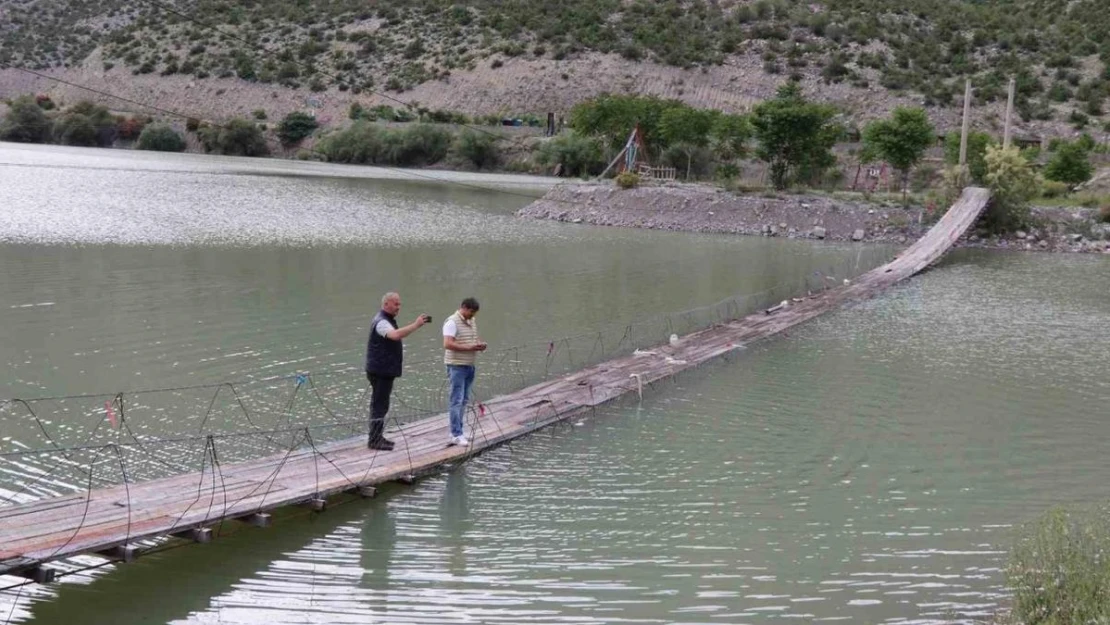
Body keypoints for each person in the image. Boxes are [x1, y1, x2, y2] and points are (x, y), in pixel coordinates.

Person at [365, 292, 429, 451]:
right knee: (379, 406)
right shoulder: (381, 322)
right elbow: (394, 335)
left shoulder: (386, 320)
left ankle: (377, 436)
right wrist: (416, 325)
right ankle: (374, 440)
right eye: (396, 304)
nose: (398, 307)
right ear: (386, 304)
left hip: (383, 370)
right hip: (380, 371)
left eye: (399, 304)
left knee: (381, 405)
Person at [442, 297, 487, 446]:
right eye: (471, 312)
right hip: (456, 366)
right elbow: (447, 344)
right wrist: (470, 348)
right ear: (464, 308)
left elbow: (472, 338)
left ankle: (459, 430)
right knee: (456, 400)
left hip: (469, 365)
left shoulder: (471, 321)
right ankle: (455, 434)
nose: (473, 316)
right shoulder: (451, 322)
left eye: (474, 313)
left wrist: (479, 344)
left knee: (464, 399)